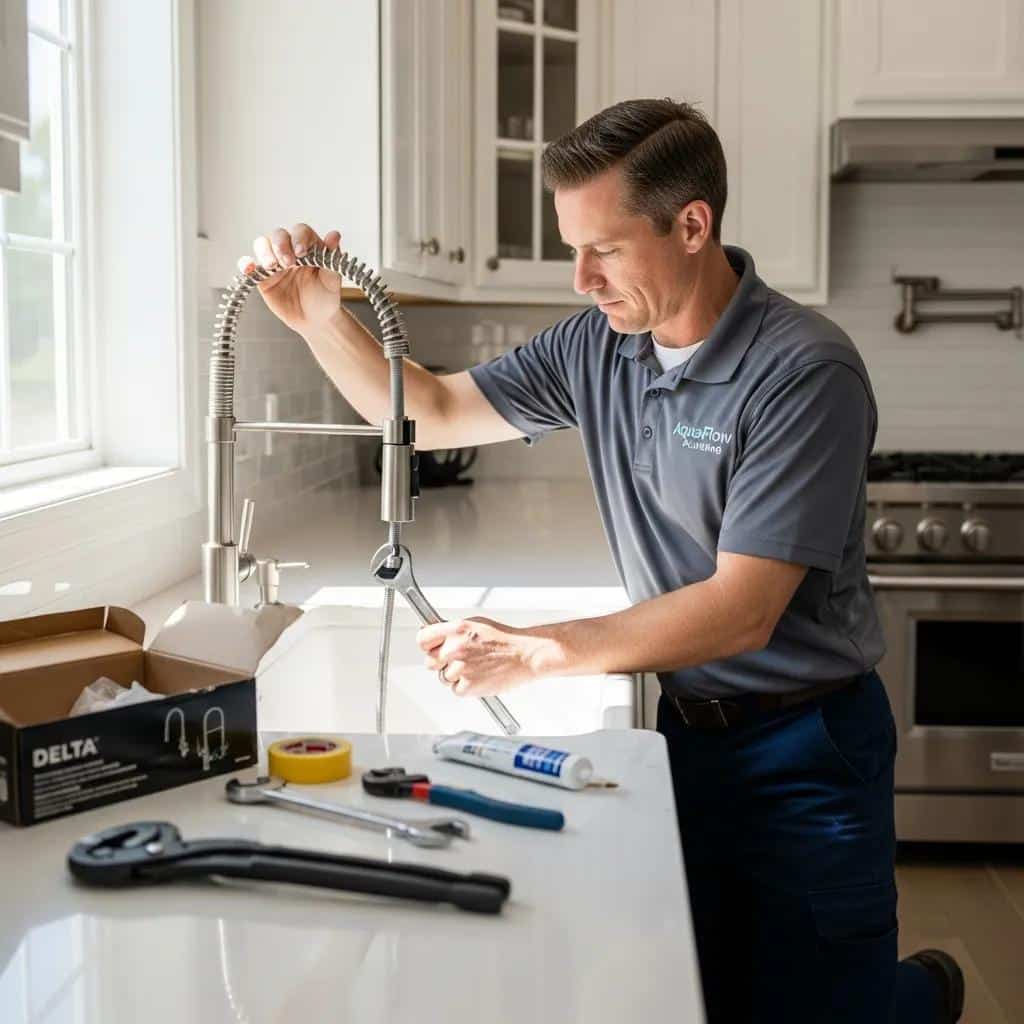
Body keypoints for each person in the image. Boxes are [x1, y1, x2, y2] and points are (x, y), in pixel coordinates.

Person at [247, 98, 964, 1024]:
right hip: (686, 736)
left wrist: (537, 650)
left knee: (824, 1007)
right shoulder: (603, 346)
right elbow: (429, 413)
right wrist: (316, 320)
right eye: (570, 248)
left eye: (606, 248)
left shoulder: (803, 369)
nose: (581, 278)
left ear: (693, 224)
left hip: (807, 746)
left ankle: (918, 996)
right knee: (713, 992)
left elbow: (744, 609)